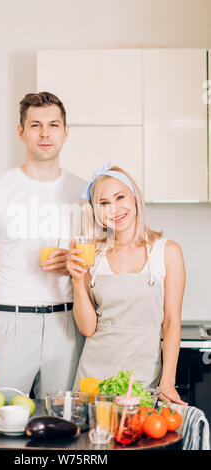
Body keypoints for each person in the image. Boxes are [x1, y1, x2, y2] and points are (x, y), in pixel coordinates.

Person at [0, 91, 86, 398]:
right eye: (35, 125)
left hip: (68, 326)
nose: (45, 133)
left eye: (54, 125)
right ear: (21, 132)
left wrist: (76, 268)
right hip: (9, 324)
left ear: (66, 132)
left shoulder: (85, 193)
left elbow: (106, 261)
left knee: (66, 428)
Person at [67, 163, 187, 405]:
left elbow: (172, 322)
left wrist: (167, 381)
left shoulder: (167, 252)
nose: (114, 209)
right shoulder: (93, 255)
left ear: (135, 198)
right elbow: (88, 329)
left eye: (120, 197)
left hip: (141, 379)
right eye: (103, 203)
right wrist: (77, 280)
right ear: (96, 211)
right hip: (93, 377)